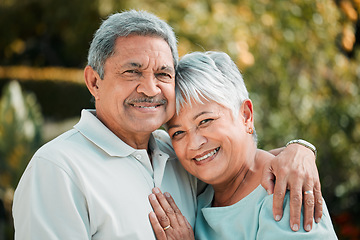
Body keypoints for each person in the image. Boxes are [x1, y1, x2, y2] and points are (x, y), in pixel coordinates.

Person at [13, 10, 321, 239]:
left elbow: (237, 164)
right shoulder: (58, 170)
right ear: (94, 81)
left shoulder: (175, 154)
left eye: (163, 73)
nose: (150, 88)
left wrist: (299, 152)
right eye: (132, 72)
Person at [148, 51, 338, 239]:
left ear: (246, 116)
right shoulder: (202, 193)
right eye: (178, 133)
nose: (195, 144)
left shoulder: (284, 190)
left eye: (206, 121)